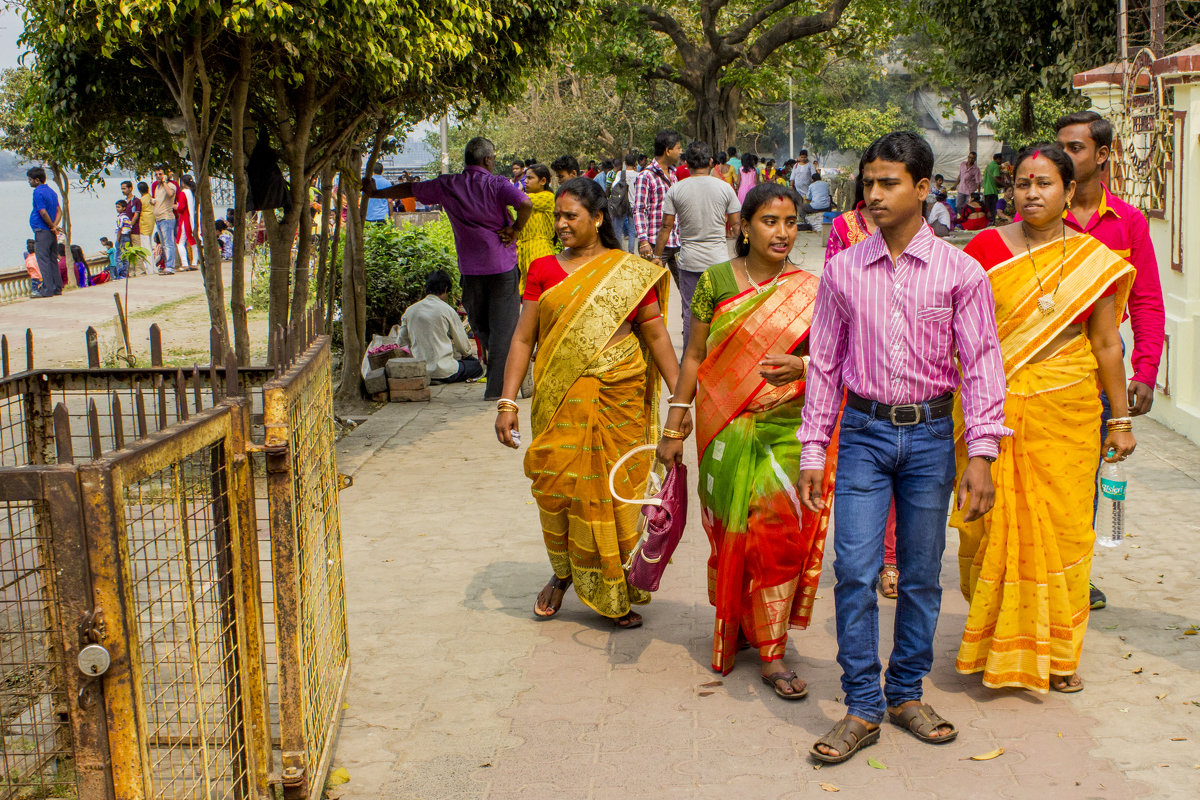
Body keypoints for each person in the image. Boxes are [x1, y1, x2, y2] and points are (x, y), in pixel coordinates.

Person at [797, 131, 1009, 764]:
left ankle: (906, 692)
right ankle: (862, 703)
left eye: (889, 183)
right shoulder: (840, 269)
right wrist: (814, 450)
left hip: (929, 438)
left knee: (920, 574)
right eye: (869, 183)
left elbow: (981, 366)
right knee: (855, 572)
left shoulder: (960, 271)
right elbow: (825, 365)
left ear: (923, 189)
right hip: (861, 433)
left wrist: (981, 454)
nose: (874, 194)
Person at [954, 143, 1137, 694]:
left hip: (1068, 410)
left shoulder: (1091, 259)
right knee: (987, 525)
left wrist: (1121, 420)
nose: (1031, 193)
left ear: (1068, 190)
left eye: (1044, 184)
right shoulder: (984, 248)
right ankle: (995, 643)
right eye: (1022, 183)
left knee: (1063, 530)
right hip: (992, 410)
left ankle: (1058, 652)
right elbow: (958, 332)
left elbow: (1106, 344)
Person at [657, 182, 834, 698]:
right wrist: (675, 422)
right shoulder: (713, 281)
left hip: (787, 426)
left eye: (790, 221)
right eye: (769, 222)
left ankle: (773, 652)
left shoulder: (813, 288)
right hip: (722, 424)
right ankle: (737, 622)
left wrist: (798, 373)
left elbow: (830, 361)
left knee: (777, 531)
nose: (782, 232)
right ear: (743, 227)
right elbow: (694, 355)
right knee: (732, 530)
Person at [494, 177, 680, 628]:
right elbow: (523, 338)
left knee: (617, 491)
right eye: (556, 216)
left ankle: (615, 584)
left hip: (620, 394)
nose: (560, 224)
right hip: (561, 398)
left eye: (569, 216)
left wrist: (682, 401)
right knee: (557, 487)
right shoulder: (542, 269)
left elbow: (655, 335)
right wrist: (506, 401)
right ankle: (562, 574)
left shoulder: (629, 271)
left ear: (597, 220)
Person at [1055, 110, 1166, 611]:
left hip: (1099, 377)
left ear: (1102, 156)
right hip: (1038, 375)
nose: (1065, 158)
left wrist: (1145, 370)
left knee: (1086, 479)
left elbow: (1146, 301)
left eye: (1075, 149)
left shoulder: (1128, 223)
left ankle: (1075, 572)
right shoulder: (1034, 220)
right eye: (1060, 148)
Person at [364, 136, 532, 400]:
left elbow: (410, 188)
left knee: (484, 327)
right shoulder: (496, 183)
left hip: (473, 269)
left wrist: (376, 193)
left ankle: (496, 389)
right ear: (488, 159)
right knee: (498, 329)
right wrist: (515, 230)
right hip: (501, 265)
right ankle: (513, 368)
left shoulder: (448, 184)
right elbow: (525, 203)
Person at [824, 177, 902, 601]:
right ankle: (867, 561)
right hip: (860, 370)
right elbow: (834, 297)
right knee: (865, 482)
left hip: (908, 379)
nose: (879, 192)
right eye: (873, 180)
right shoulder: (844, 227)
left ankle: (891, 561)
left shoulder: (912, 225)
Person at [652, 140, 740, 348]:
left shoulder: (676, 190)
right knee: (720, 311)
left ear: (686, 163)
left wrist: (657, 255)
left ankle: (691, 361)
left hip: (690, 263)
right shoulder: (725, 189)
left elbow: (666, 227)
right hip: (719, 262)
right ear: (711, 161)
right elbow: (737, 226)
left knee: (691, 312)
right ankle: (718, 358)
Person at [394, 269, 483, 384]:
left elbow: (401, 342)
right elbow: (463, 346)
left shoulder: (410, 311)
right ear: (446, 288)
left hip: (420, 370)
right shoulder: (447, 310)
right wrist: (467, 355)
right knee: (476, 367)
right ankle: (440, 378)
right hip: (444, 371)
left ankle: (432, 377)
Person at [634, 130, 683, 282]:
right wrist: (643, 241)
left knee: (686, 288)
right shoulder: (646, 176)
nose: (681, 152)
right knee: (654, 292)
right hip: (654, 244)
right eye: (678, 148)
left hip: (676, 242)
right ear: (668, 151)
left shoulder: (674, 174)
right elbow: (639, 209)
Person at [516, 163, 557, 289]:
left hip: (539, 250)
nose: (526, 181)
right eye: (525, 178)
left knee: (537, 290)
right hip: (526, 250)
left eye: (530, 178)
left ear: (543, 181)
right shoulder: (530, 198)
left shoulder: (547, 197)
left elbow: (519, 199)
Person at [27, 166, 62, 298]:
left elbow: (42, 212)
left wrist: (51, 225)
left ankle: (47, 289)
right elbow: (60, 212)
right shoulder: (52, 192)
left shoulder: (38, 192)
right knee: (52, 259)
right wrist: (54, 226)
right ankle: (57, 287)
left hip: (42, 230)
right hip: (50, 231)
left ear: (36, 180)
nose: (29, 182)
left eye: (30, 179)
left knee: (43, 260)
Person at [607, 153, 638, 253]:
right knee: (632, 231)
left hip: (621, 205)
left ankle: (619, 251)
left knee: (618, 230)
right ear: (635, 163)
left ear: (625, 163)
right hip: (634, 205)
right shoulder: (639, 175)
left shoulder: (621, 174)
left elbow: (613, 187)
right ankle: (631, 252)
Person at [152, 168, 178, 275]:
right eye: (156, 174)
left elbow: (171, 194)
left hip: (166, 218)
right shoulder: (157, 187)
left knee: (168, 243)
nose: (158, 176)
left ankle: (170, 266)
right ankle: (166, 265)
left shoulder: (170, 185)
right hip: (158, 218)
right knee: (163, 244)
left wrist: (164, 181)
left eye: (160, 174)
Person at [119, 180, 145, 275]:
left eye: (124, 188)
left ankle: (139, 270)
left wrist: (130, 226)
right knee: (127, 251)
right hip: (125, 232)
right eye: (122, 189)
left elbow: (136, 215)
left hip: (134, 230)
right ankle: (130, 271)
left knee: (137, 250)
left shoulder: (136, 201)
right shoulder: (123, 203)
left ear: (130, 188)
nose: (123, 190)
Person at [176, 174, 198, 270]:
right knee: (193, 241)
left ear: (183, 183)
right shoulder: (193, 192)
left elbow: (181, 208)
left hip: (185, 219)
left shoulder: (183, 193)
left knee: (179, 242)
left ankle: (184, 263)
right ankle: (194, 262)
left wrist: (176, 207)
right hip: (193, 219)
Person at [803, 170, 833, 235]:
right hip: (826, 207)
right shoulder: (826, 184)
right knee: (829, 199)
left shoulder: (811, 185)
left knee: (803, 208)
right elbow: (829, 194)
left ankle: (805, 222)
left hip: (815, 207)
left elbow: (808, 198)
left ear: (813, 180)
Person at [113, 200, 133, 279]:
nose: (117, 209)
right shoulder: (127, 217)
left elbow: (119, 229)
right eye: (116, 207)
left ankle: (120, 274)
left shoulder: (120, 217)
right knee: (125, 256)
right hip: (127, 236)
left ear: (124, 208)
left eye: (119, 207)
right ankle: (125, 273)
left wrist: (118, 240)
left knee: (119, 256)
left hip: (122, 237)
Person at [982, 153, 1003, 222]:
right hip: (992, 191)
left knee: (987, 209)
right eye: (1001, 160)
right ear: (998, 159)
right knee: (993, 208)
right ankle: (993, 222)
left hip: (986, 191)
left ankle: (987, 222)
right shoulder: (996, 166)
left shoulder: (988, 166)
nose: (1001, 161)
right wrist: (1004, 185)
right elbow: (996, 178)